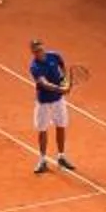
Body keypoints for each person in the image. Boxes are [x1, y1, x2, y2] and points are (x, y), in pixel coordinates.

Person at [27, 37, 75, 175]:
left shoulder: (55, 56)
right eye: (36, 51)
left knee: (61, 126)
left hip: (58, 102)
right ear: (32, 52)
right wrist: (61, 89)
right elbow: (44, 83)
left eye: (40, 49)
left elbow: (62, 66)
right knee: (42, 130)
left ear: (44, 48)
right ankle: (42, 160)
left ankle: (61, 157)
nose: (39, 52)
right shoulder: (35, 67)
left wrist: (65, 81)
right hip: (43, 104)